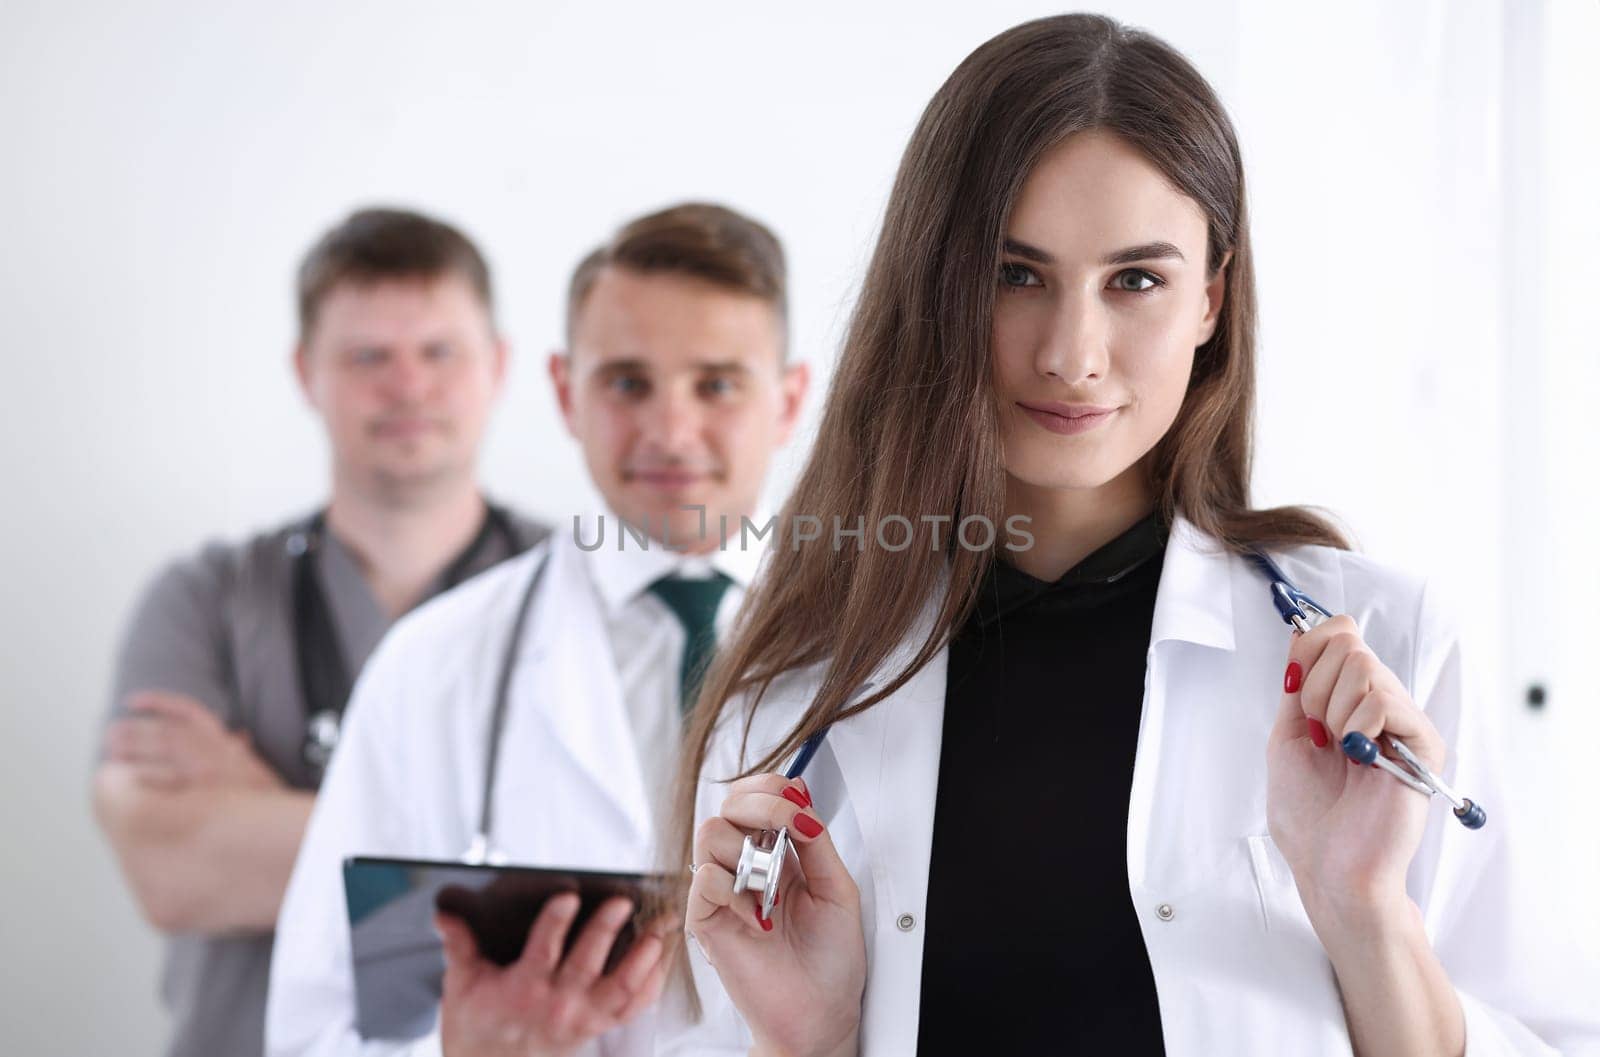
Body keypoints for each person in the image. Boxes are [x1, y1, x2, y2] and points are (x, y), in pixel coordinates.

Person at [665, 15, 1600, 1057]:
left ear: (1210, 295)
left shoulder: (1380, 645)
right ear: (937, 285)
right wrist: (806, 1039)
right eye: (1015, 274)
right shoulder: (796, 688)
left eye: (1135, 280)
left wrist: (1364, 913)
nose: (1072, 354)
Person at [265, 202, 809, 1057]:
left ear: (788, 400)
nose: (671, 430)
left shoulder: (887, 655)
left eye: (716, 383)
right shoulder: (432, 665)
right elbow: (311, 1030)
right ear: (565, 392)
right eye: (627, 382)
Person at [92, 207, 550, 1057]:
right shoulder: (205, 601)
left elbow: (630, 867)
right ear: (307, 372)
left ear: (498, 365)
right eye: (368, 356)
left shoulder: (578, 596)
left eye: (439, 351)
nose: (408, 386)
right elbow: (171, 871)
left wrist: (264, 807)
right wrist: (494, 850)